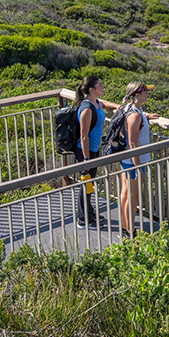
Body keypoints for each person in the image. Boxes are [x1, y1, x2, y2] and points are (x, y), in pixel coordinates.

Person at [117, 81, 159, 238]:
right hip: (133, 161)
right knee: (132, 197)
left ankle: (124, 227)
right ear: (137, 95)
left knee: (125, 194)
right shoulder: (134, 116)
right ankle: (130, 231)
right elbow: (133, 144)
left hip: (126, 159)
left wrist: (146, 116)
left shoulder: (129, 109)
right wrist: (137, 168)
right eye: (145, 92)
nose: (148, 94)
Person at [74, 75, 106, 229]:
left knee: (89, 184)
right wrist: (87, 159)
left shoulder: (96, 103)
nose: (103, 87)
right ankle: (83, 219)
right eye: (99, 85)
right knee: (86, 184)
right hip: (85, 152)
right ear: (91, 89)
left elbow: (105, 105)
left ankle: (89, 211)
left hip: (93, 149)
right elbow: (83, 135)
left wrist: (118, 107)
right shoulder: (86, 108)